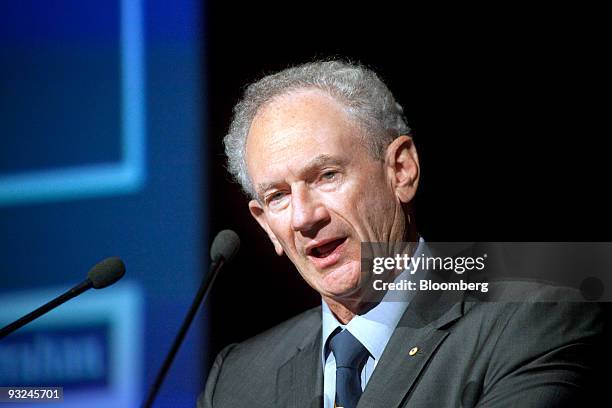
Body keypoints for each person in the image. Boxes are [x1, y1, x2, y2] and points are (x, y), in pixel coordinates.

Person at [198, 60, 602, 407]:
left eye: (327, 176)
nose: (305, 217)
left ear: (401, 171)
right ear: (266, 223)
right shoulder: (236, 379)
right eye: (278, 196)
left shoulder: (530, 318)